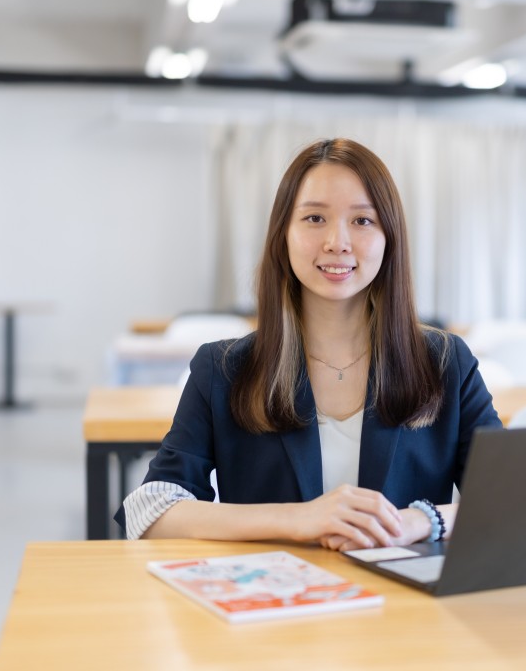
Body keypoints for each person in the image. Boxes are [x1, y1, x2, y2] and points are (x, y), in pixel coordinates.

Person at [117, 138, 501, 550]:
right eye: (315, 218)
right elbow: (150, 510)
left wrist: (420, 520)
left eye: (363, 221)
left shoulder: (444, 363)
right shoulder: (224, 368)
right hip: (272, 604)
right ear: (283, 234)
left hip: (403, 606)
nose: (337, 241)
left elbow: (509, 496)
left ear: (390, 238)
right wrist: (299, 518)